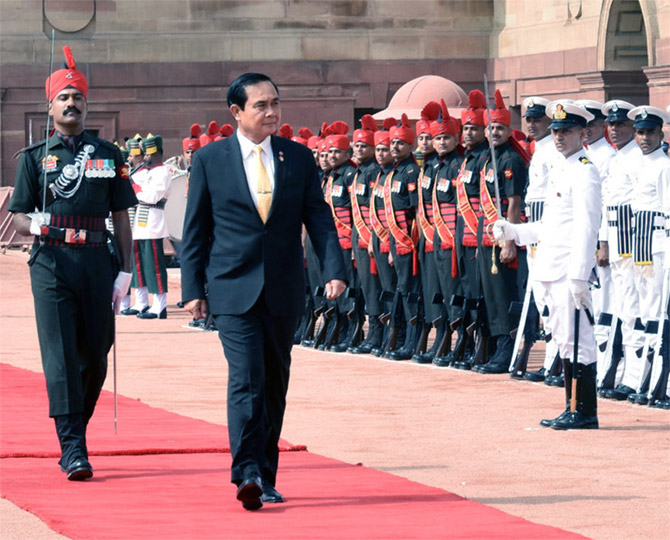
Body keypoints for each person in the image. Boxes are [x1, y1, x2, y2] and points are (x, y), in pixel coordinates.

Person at [180, 73, 347, 510]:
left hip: (283, 287)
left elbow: (320, 218)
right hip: (232, 288)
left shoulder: (297, 158)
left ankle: (266, 475)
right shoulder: (210, 160)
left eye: (275, 103)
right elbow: (196, 229)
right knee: (247, 378)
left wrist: (334, 269)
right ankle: (247, 471)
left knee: (274, 383)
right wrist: (191, 288)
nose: (271, 112)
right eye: (261, 105)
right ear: (236, 112)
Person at [8, 46, 136, 479]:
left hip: (98, 260)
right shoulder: (32, 159)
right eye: (63, 97)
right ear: (50, 106)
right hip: (52, 262)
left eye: (78, 97)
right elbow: (19, 215)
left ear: (86, 104)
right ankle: (73, 446)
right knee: (61, 355)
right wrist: (36, 226)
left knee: (96, 355)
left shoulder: (109, 155)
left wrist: (125, 271)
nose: (71, 103)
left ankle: (75, 430)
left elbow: (122, 217)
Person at [494, 100, 601, 429]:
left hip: (569, 270)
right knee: (563, 338)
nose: (558, 137)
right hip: (550, 267)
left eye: (566, 131)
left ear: (583, 133)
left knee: (578, 339)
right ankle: (571, 407)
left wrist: (580, 276)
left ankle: (584, 410)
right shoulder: (561, 169)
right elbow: (549, 226)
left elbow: (586, 229)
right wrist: (513, 230)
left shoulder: (585, 170)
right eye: (556, 131)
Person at [124, 134, 172, 319]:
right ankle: (141, 302)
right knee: (139, 265)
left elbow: (151, 197)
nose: (145, 158)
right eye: (144, 155)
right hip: (140, 221)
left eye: (149, 155)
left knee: (154, 265)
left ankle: (160, 305)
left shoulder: (163, 172)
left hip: (153, 220)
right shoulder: (149, 172)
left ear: (158, 154)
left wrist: (133, 186)